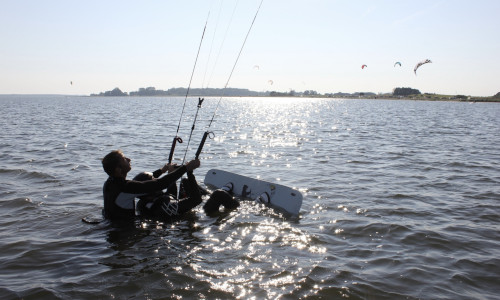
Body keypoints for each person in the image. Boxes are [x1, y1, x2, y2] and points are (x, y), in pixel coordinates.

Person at [101, 149, 200, 222]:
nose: (129, 159)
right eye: (124, 159)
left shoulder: (109, 183)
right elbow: (159, 185)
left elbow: (142, 183)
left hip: (112, 226)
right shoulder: (125, 188)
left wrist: (162, 171)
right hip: (124, 232)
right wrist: (186, 168)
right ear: (118, 170)